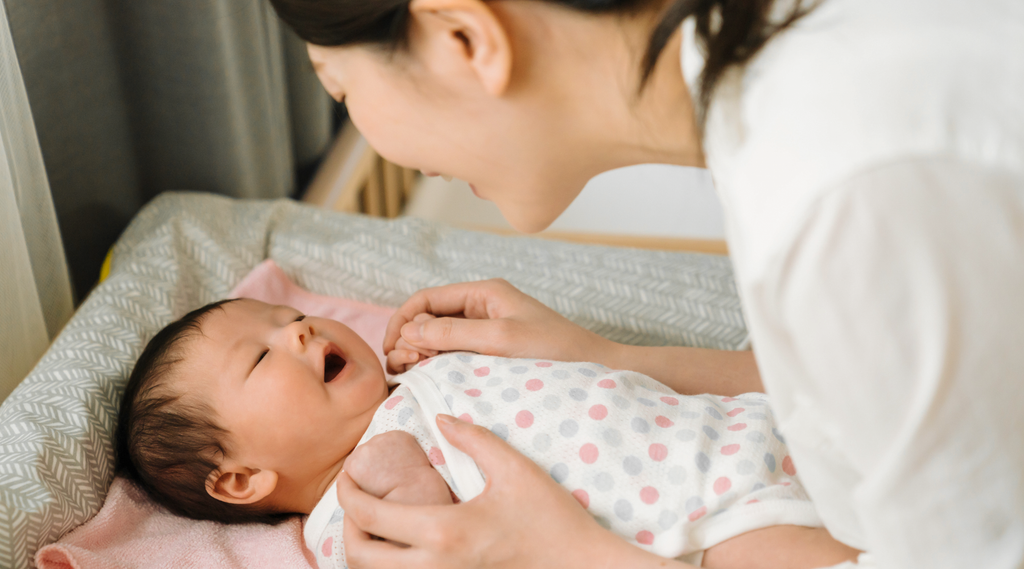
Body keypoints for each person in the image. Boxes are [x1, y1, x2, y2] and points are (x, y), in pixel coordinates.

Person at [267, 0, 1024, 567]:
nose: (374, 142)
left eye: (341, 93)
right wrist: (605, 359)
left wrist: (571, 553)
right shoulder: (795, 93)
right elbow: (878, 387)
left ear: (466, 36)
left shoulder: (840, 195)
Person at [116, 298, 858, 568]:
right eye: (262, 354)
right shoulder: (349, 516)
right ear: (240, 477)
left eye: (284, 317)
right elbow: (434, 550)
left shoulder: (416, 385)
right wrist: (410, 485)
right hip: (698, 525)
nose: (299, 326)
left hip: (735, 424)